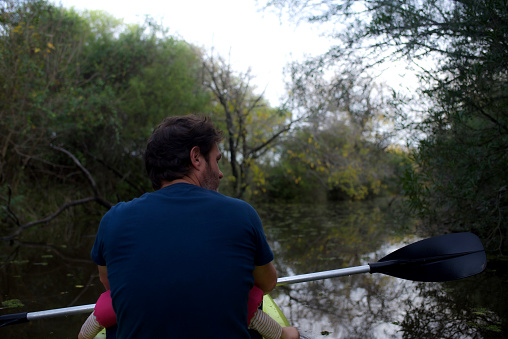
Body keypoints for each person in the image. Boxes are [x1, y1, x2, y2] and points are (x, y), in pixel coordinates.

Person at [87, 115, 300, 338]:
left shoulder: (113, 220)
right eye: (216, 160)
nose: (220, 172)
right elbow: (267, 283)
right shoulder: (241, 214)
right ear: (196, 157)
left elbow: (110, 284)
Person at [78, 286, 299, 339]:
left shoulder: (116, 300)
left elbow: (83, 335)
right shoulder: (233, 298)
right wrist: (287, 334)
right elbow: (259, 320)